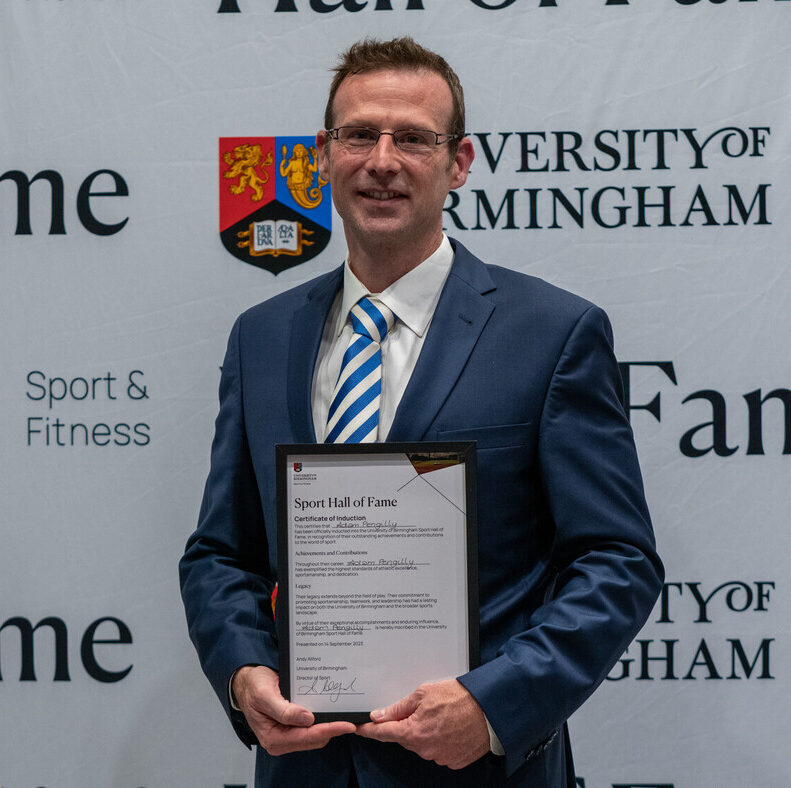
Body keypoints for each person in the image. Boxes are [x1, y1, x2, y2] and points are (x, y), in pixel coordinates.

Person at [179, 36, 663, 788]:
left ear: (458, 163)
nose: (381, 159)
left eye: (411, 137)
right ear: (321, 156)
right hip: (305, 771)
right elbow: (222, 553)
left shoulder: (552, 333)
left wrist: (493, 703)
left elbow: (616, 560)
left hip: (479, 771)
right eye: (358, 135)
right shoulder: (261, 338)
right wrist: (244, 674)